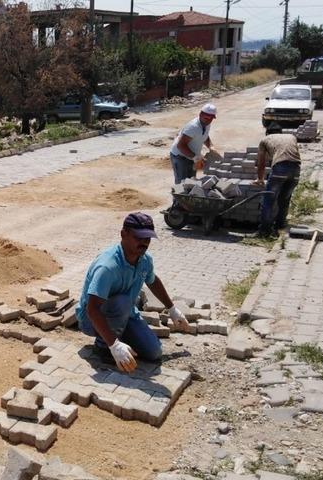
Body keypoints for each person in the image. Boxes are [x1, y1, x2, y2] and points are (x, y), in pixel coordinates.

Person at [76, 212, 190, 373]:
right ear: (124, 234)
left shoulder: (144, 260)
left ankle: (117, 336)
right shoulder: (107, 267)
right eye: (139, 238)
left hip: (125, 314)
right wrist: (114, 346)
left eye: (147, 239)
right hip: (91, 319)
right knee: (122, 302)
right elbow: (92, 309)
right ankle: (103, 346)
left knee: (154, 352)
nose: (144, 243)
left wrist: (172, 309)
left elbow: (153, 281)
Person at [256, 133, 301, 238]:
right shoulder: (291, 137)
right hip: (296, 169)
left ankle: (265, 231)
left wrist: (260, 179)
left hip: (280, 168)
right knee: (285, 199)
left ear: (268, 133)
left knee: (268, 201)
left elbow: (261, 163)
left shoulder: (264, 140)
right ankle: (280, 226)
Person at [170, 103, 220, 184]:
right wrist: (196, 157)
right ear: (200, 114)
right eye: (206, 117)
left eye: (211, 118)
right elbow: (181, 145)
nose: (208, 120)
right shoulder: (193, 127)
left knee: (192, 182)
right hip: (180, 156)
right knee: (182, 184)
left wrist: (211, 146)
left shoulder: (206, 124)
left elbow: (204, 135)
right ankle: (178, 197)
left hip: (192, 156)